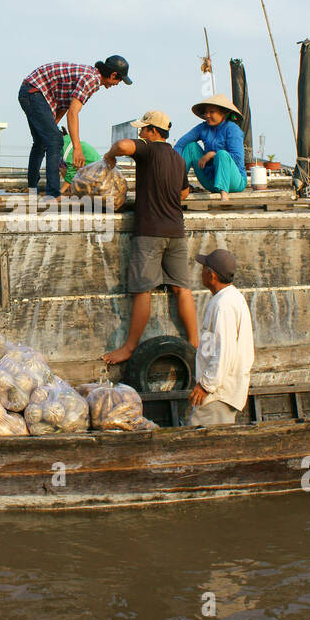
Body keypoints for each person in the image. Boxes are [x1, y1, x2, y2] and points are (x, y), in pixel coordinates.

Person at [101, 110, 198, 365]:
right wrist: (164, 199)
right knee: (182, 289)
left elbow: (122, 145)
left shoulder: (147, 149)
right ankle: (195, 344)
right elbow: (184, 192)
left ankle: (130, 348)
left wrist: (110, 157)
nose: (140, 133)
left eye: (143, 129)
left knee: (143, 290)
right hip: (176, 230)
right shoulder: (177, 158)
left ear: (153, 132)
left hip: (150, 233)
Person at [18, 55, 131, 199]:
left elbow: (66, 106)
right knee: (55, 141)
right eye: (119, 80)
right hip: (34, 92)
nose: (117, 83)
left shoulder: (90, 76)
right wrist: (77, 148)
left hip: (32, 92)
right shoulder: (91, 80)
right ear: (113, 75)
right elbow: (72, 113)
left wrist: (52, 124)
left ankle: (32, 188)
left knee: (41, 142)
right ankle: (52, 193)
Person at [188, 248, 254, 426]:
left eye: (204, 268)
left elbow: (224, 351)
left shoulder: (223, 305)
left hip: (218, 393)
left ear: (212, 276)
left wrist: (206, 385)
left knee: (198, 445)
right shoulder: (229, 298)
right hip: (220, 390)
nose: (201, 272)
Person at [174, 94, 248, 197]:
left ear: (223, 113)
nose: (207, 115)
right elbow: (180, 145)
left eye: (211, 112)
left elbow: (238, 158)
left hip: (234, 183)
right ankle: (174, 187)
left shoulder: (232, 129)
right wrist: (171, 166)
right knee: (190, 147)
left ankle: (224, 195)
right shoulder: (203, 128)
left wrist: (213, 154)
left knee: (221, 154)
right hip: (211, 182)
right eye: (206, 112)